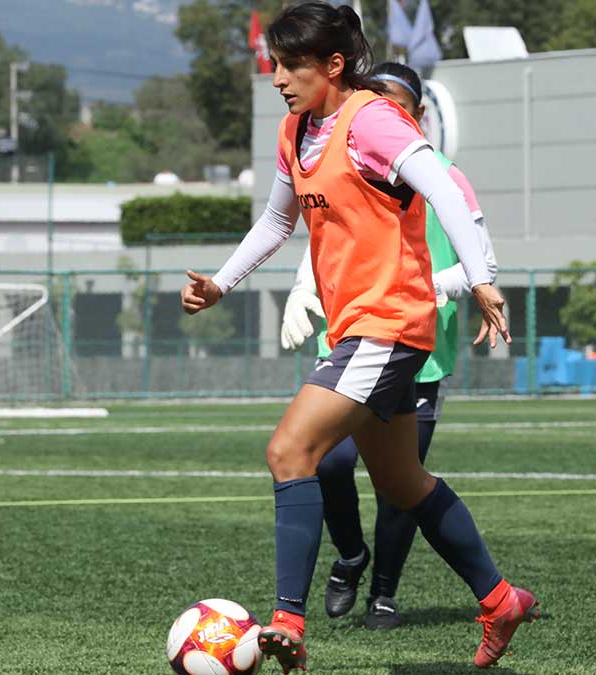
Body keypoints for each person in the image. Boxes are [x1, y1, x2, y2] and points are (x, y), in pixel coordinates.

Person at [180, 4, 537, 670]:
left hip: (388, 323)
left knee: (290, 450)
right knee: (402, 481)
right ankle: (500, 599)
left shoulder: (371, 119)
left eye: (291, 65)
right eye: (275, 64)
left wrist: (482, 278)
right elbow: (276, 222)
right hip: (360, 328)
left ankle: (287, 621)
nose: (277, 78)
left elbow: (445, 190)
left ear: (334, 64)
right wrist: (222, 283)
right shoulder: (296, 130)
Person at [280, 61, 499, 631]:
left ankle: (374, 596)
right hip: (355, 336)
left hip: (408, 345)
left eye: (394, 105)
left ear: (418, 114)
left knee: (378, 478)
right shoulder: (345, 149)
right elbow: (323, 227)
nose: (380, 114)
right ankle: (357, 558)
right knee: (345, 465)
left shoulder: (439, 173)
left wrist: (438, 286)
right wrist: (302, 289)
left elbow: (482, 259)